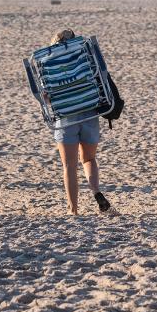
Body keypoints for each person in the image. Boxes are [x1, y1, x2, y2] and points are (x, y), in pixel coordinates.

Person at [48, 29, 113, 215]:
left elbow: (46, 96)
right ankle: (96, 191)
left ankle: (73, 209)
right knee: (89, 159)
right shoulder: (86, 60)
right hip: (88, 114)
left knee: (69, 165)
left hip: (66, 118)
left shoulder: (49, 65)